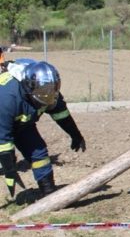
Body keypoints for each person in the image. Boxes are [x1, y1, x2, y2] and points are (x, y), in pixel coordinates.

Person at [0, 60, 86, 201]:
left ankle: (48, 192)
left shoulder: (48, 92)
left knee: (39, 153)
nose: (47, 97)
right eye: (42, 93)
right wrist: (10, 171)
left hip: (22, 124)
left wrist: (75, 135)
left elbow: (62, 115)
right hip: (2, 119)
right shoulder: (7, 98)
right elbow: (3, 142)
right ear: (29, 87)